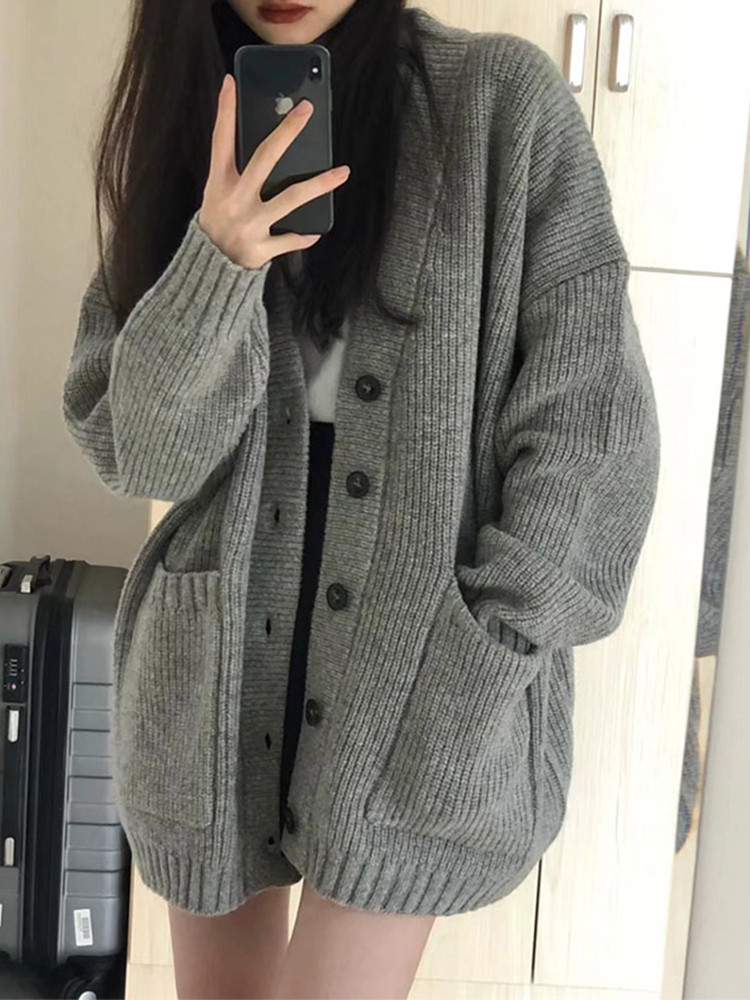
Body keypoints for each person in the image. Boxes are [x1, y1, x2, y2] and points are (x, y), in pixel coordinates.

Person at [61, 0, 661, 997]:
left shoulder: (501, 106)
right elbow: (143, 454)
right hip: (210, 682)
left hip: (418, 674)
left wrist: (487, 645)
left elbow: (591, 427)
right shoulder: (187, 120)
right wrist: (217, 256)